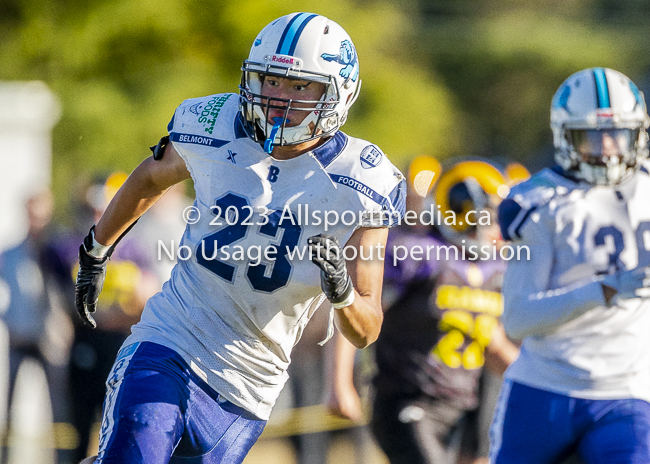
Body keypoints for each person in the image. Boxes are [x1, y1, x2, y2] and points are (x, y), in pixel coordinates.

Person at [74, 12, 405, 464]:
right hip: (171, 340)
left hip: (249, 386)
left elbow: (368, 329)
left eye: (299, 86)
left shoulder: (363, 181)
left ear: (338, 92)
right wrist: (97, 249)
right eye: (270, 80)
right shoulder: (216, 122)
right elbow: (151, 177)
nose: (279, 98)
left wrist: (343, 294)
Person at [491, 67, 650, 463]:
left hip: (625, 392)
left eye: (619, 134)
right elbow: (518, 319)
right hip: (544, 388)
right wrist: (605, 289)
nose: (608, 148)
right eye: (591, 137)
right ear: (565, 136)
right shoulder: (540, 204)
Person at [327, 158, 520, 464]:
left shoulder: (493, 270)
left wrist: (546, 380)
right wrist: (339, 383)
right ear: (463, 209)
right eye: (491, 216)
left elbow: (493, 343)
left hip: (460, 405)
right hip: (407, 398)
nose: (498, 228)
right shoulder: (419, 254)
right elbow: (356, 313)